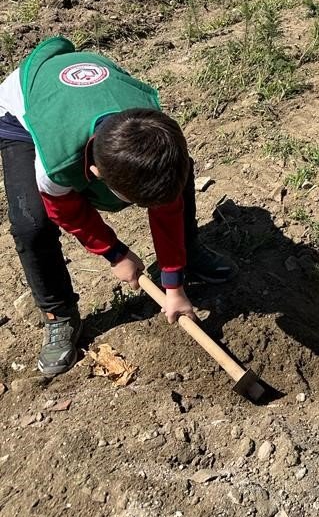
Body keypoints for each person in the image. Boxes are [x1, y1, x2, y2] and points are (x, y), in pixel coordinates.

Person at [0, 36, 235, 377]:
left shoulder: (155, 131)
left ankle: (188, 254)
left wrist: (173, 284)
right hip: (22, 114)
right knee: (30, 222)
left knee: (175, 175)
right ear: (94, 175)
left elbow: (167, 205)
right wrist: (114, 253)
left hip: (93, 101)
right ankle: (59, 314)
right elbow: (65, 210)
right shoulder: (58, 159)